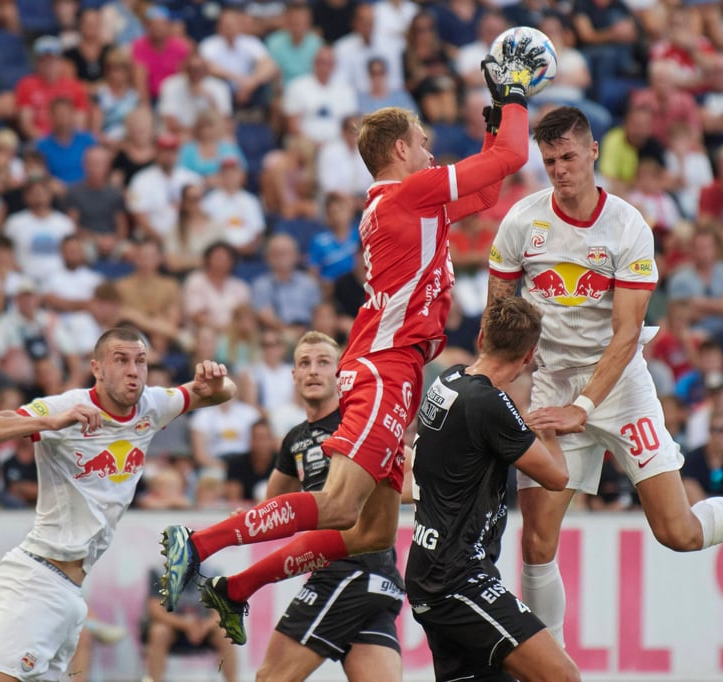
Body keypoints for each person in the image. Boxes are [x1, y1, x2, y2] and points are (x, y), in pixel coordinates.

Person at [158, 46, 535, 615]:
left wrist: (494, 129)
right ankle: (201, 543)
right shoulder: (412, 194)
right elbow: (513, 154)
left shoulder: (412, 201)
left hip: (394, 366)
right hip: (386, 367)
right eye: (425, 142)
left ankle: (236, 589)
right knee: (337, 506)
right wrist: (514, 95)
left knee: (373, 533)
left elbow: (487, 189)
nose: (432, 152)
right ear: (402, 149)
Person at [485, 105, 723, 646]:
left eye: (569, 157)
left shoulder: (627, 227)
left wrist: (584, 408)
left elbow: (627, 335)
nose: (559, 169)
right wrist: (510, 390)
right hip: (553, 384)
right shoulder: (521, 223)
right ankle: (549, 668)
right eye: (549, 159)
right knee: (535, 543)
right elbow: (498, 320)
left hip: (619, 387)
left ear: (593, 151)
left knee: (678, 532)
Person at [0, 327, 237, 681]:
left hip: (71, 593)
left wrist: (216, 383)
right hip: (34, 581)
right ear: (97, 368)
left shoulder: (152, 405)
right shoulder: (66, 408)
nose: (133, 370)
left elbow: (224, 393)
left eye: (140, 361)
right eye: (120, 360)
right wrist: (49, 422)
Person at [201, 332, 405, 682]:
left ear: (341, 374)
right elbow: (274, 505)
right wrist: (247, 521)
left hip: (347, 570)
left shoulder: (357, 423)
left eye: (324, 362)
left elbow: (407, 475)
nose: (313, 371)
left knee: (270, 678)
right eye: (304, 364)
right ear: (292, 376)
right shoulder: (294, 438)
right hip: (376, 581)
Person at [406, 296, 578, 681]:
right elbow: (557, 478)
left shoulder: (448, 378)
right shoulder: (489, 403)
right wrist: (550, 432)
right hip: (456, 579)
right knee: (561, 676)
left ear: (482, 336)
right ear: (529, 355)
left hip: (432, 568)